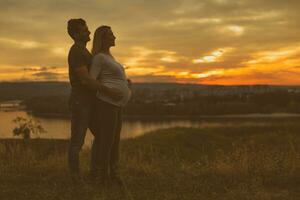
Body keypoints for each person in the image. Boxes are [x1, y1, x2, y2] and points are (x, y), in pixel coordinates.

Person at [67, 19, 122, 182]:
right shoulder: (76, 51)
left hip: (91, 102)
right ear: (76, 34)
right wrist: (110, 91)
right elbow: (86, 80)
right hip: (80, 103)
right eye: (85, 30)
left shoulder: (85, 52)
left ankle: (95, 172)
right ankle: (75, 177)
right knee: (77, 141)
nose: (89, 32)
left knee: (101, 136)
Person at [89, 25, 132, 185]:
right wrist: (111, 92)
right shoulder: (99, 57)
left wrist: (126, 85)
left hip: (116, 105)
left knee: (114, 140)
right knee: (106, 141)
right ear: (103, 38)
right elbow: (91, 81)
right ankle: (103, 177)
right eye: (111, 35)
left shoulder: (109, 56)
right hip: (106, 104)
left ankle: (114, 174)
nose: (114, 37)